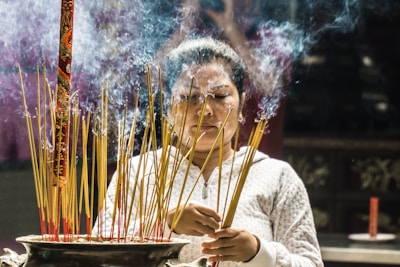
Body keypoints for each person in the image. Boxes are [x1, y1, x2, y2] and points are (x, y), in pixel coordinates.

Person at [95, 37, 323, 267]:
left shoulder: (277, 177)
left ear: (242, 106)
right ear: (169, 107)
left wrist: (259, 253)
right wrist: (164, 223)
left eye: (219, 96)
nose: (205, 111)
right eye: (190, 97)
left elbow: (311, 263)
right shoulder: (137, 172)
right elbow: (98, 255)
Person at [154, 0, 292, 159]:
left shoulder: (268, 36)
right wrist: (185, 25)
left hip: (251, 165)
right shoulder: (190, 33)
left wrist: (230, 28)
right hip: (190, 166)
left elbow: (272, 86)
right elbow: (151, 80)